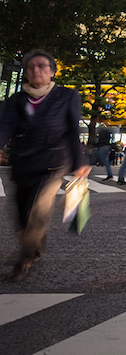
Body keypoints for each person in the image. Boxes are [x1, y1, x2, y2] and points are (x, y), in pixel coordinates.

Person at [0, 49, 89, 281]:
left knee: (37, 213)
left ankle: (23, 262)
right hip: (23, 162)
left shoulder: (67, 96)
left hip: (53, 162)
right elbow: (5, 128)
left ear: (52, 71)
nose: (36, 70)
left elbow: (72, 130)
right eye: (30, 67)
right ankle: (36, 247)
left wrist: (79, 162)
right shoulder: (16, 100)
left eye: (42, 66)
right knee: (21, 213)